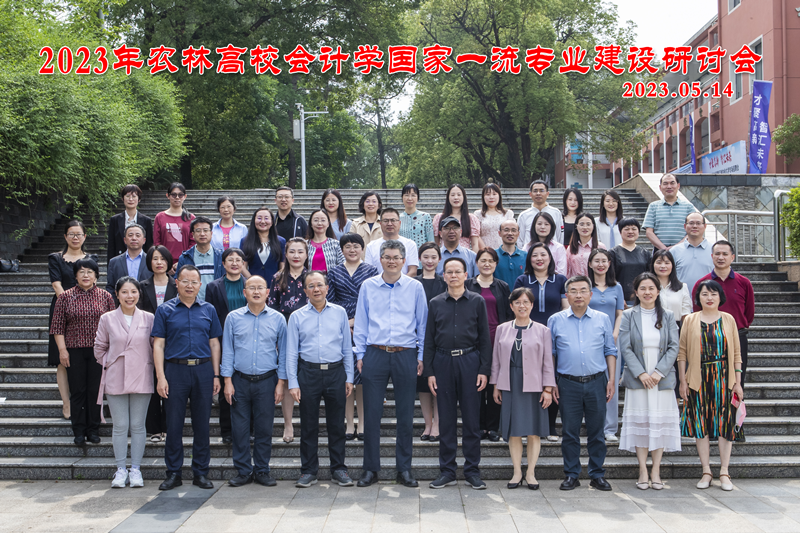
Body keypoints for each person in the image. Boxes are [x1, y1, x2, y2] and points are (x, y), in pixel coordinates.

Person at [353, 240, 428, 488]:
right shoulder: (368, 286)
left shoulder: (415, 287)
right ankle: (370, 469)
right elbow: (361, 321)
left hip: (406, 353)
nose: (392, 261)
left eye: (396, 257)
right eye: (387, 257)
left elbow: (422, 323)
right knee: (371, 414)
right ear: (380, 260)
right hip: (375, 353)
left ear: (404, 260)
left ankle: (404, 469)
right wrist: (360, 354)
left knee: (405, 415)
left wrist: (420, 356)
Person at [152, 265, 223, 491]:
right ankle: (173, 473)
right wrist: (160, 377)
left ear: (200, 285)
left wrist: (216, 374)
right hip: (175, 371)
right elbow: (158, 345)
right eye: (185, 281)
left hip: (203, 370)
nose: (189, 286)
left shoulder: (209, 309)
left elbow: (214, 344)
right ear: (177, 283)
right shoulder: (165, 310)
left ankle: (200, 473)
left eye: (194, 282)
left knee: (202, 425)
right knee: (173, 425)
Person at [424, 257, 491, 490]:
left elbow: (485, 338)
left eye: (457, 272)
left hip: (470, 361)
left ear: (465, 275)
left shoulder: (477, 301)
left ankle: (472, 471)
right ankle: (447, 471)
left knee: (472, 420)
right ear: (443, 276)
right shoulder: (435, 303)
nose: (453, 276)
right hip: (442, 362)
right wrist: (430, 371)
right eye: (449, 272)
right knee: (446, 420)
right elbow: (429, 339)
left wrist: (484, 369)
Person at [548, 275, 617, 492]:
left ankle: (597, 475)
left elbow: (610, 350)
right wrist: (552, 382)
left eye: (583, 290)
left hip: (597, 381)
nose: (578, 295)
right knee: (570, 432)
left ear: (590, 294)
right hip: (567, 383)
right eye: (574, 291)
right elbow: (551, 354)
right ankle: (571, 474)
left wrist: (611, 379)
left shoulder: (602, 319)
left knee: (597, 432)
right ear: (566, 295)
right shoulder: (555, 320)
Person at [287, 271, 355, 488]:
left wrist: (349, 377)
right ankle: (308, 471)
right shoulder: (297, 316)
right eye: (311, 286)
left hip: (336, 373)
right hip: (308, 373)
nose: (316, 289)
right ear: (305, 290)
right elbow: (291, 351)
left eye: (319, 285)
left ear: (327, 288)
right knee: (308, 425)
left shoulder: (340, 313)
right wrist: (293, 382)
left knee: (337, 424)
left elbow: (347, 347)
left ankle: (339, 469)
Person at [221, 275, 288, 488]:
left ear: (268, 292)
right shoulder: (233, 318)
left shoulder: (278, 319)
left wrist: (281, 383)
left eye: (260, 288)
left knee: (264, 427)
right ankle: (243, 471)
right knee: (239, 428)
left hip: (267, 380)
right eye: (252, 288)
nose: (256, 292)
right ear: (245, 292)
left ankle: (261, 470)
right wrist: (227, 380)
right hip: (239, 380)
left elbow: (284, 353)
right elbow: (227, 350)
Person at [679, 279, 744, 492]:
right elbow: (682, 353)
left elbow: (737, 354)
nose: (709, 297)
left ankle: (724, 471)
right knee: (701, 425)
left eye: (713, 294)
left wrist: (738, 383)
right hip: (698, 379)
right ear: (698, 297)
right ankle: (706, 471)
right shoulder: (690, 319)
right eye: (704, 294)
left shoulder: (728, 319)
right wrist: (683, 381)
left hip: (724, 379)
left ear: (720, 297)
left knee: (726, 425)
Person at [618, 273, 681, 490]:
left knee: (659, 424)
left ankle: (656, 470)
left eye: (651, 288)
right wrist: (642, 374)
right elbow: (625, 347)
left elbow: (674, 346)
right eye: (642, 288)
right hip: (639, 378)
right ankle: (643, 470)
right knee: (641, 424)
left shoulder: (668, 316)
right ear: (636, 292)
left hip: (661, 378)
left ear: (658, 291)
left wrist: (658, 372)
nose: (647, 292)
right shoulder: (628, 315)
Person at [490, 287, 555, 490]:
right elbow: (496, 360)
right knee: (514, 431)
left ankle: (531, 473)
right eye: (517, 302)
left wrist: (548, 389)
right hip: (510, 383)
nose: (522, 306)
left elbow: (548, 361)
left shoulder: (543, 330)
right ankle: (517, 471)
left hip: (535, 385)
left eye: (526, 302)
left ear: (532, 305)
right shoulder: (502, 329)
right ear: (511, 306)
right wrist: (496, 385)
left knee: (534, 431)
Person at [94, 277, 155, 489]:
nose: (130, 296)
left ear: (139, 293)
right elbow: (99, 348)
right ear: (117, 295)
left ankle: (135, 469)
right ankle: (121, 469)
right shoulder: (107, 318)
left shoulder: (149, 318)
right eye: (125, 292)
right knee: (120, 426)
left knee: (138, 425)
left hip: (141, 374)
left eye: (134, 292)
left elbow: (155, 346)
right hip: (116, 376)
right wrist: (111, 364)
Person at [50, 258, 115, 446]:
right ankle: (78, 431)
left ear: (96, 276)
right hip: (74, 350)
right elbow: (57, 327)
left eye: (90, 272)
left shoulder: (105, 296)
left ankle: (93, 429)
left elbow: (113, 326)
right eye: (81, 272)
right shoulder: (65, 297)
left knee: (95, 391)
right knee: (78, 391)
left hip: (98, 352)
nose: (86, 275)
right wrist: (62, 351)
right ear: (75, 276)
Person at [512, 242, 568, 442]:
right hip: (528, 335)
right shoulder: (523, 279)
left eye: (543, 255)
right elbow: (518, 307)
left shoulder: (560, 280)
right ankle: (526, 425)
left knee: (551, 379)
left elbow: (565, 308)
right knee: (528, 379)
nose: (539, 259)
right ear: (529, 259)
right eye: (535, 255)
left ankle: (550, 426)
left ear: (550, 258)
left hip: (554, 336)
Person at [327, 234, 379, 441]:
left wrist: (356, 323)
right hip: (340, 325)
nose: (352, 250)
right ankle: (349, 423)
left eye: (356, 246)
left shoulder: (371, 271)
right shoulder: (334, 272)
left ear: (362, 249)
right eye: (347, 246)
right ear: (342, 250)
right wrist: (345, 324)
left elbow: (375, 300)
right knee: (346, 377)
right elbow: (330, 301)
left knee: (363, 377)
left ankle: (363, 423)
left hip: (367, 325)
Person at [48, 220, 98, 420]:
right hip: (62, 309)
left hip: (88, 311)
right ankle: (66, 403)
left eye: (79, 234)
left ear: (84, 237)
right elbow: (56, 284)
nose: (75, 237)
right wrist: (69, 304)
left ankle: (87, 402)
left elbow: (93, 282)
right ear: (65, 236)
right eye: (71, 234)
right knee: (62, 360)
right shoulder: (55, 258)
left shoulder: (91, 258)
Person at [465, 248, 512, 442]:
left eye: (490, 261)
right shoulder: (468, 285)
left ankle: (492, 427)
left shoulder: (502, 286)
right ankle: (478, 426)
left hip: (497, 339)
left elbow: (508, 315)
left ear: (495, 264)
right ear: (476, 263)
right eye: (483, 260)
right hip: (472, 340)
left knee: (494, 383)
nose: (486, 264)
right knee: (476, 384)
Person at [692, 241, 755, 385]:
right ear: (712, 256)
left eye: (725, 254)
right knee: (710, 380)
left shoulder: (744, 282)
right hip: (709, 336)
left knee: (737, 380)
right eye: (717, 254)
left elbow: (749, 312)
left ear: (732, 257)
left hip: (737, 336)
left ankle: (735, 400)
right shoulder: (702, 283)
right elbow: (697, 311)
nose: (721, 257)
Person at [268, 237, 309, 443]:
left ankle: (308, 423)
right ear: (286, 254)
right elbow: (272, 306)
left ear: (306, 254)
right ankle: (288, 423)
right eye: (292, 251)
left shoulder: (312, 277)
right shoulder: (277, 278)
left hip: (308, 332)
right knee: (285, 376)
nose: (296, 255)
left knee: (307, 377)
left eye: (300, 251)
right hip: (284, 330)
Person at [205, 248, 248, 445]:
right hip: (223, 340)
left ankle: (249, 429)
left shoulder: (250, 284)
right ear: (223, 264)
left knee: (246, 388)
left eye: (238, 260)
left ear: (243, 264)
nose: (234, 263)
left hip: (247, 340)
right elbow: (210, 315)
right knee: (225, 386)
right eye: (230, 260)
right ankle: (227, 431)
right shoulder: (214, 287)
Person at [138, 246, 177, 443]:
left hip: (173, 341)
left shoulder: (177, 285)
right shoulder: (141, 286)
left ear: (169, 261)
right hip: (147, 341)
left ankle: (168, 427)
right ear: (149, 262)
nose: (159, 262)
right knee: (152, 385)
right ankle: (154, 428)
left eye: (163, 258)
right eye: (155, 259)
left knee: (171, 384)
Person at [587, 249, 625, 442]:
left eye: (604, 261)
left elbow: (619, 313)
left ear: (609, 264)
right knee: (592, 384)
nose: (600, 264)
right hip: (590, 342)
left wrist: (615, 333)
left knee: (611, 382)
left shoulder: (616, 287)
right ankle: (593, 426)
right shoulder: (585, 286)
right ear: (590, 264)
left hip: (612, 342)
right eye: (597, 261)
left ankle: (609, 428)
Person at [414, 242, 447, 442]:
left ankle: (437, 424)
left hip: (440, 337)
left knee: (439, 383)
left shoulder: (445, 282)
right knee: (423, 384)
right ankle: (427, 424)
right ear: (420, 259)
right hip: (418, 338)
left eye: (433, 257)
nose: (429, 260)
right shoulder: (413, 282)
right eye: (425, 257)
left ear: (439, 259)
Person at [174, 217, 224, 301]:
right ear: (193, 234)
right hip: (193, 303)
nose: (202, 234)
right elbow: (178, 282)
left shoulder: (221, 256)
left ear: (211, 233)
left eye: (205, 230)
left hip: (216, 303)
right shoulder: (185, 257)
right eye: (198, 231)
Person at [642, 173, 697, 250]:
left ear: (678, 186)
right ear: (660, 187)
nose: (669, 186)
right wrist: (664, 249)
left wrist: (676, 248)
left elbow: (692, 231)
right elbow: (649, 232)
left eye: (672, 183)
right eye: (665, 184)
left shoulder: (688, 207)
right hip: (660, 251)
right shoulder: (653, 206)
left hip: (684, 250)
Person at [364, 207, 419, 277]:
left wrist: (400, 282)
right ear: (380, 223)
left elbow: (413, 271)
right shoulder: (371, 246)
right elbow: (369, 272)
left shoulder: (410, 244)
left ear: (399, 223)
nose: (389, 224)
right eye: (386, 221)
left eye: (393, 220)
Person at [107, 184, 153, 264]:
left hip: (141, 262)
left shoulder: (146, 221)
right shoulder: (115, 220)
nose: (130, 199)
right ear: (122, 198)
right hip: (120, 262)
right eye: (127, 196)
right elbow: (111, 246)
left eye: (134, 196)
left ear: (139, 199)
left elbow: (149, 245)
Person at [241, 207, 285, 288]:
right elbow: (242, 266)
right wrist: (253, 281)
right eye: (259, 218)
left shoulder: (281, 241)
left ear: (272, 222)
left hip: (274, 285)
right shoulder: (245, 241)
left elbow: (283, 265)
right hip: (252, 286)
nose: (263, 221)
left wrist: (276, 279)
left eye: (266, 218)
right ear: (254, 221)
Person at [671, 212, 714, 293]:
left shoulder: (714, 250)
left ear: (705, 226)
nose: (695, 226)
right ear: (685, 226)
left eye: (698, 223)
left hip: (708, 298)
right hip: (681, 298)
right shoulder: (674, 251)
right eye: (691, 223)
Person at [153, 182, 195, 265]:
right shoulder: (160, 217)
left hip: (185, 262)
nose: (177, 197)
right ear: (167, 196)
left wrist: (183, 260)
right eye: (173, 195)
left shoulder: (190, 218)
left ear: (185, 196)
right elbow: (157, 242)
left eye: (180, 195)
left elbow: (193, 242)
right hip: (163, 263)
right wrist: (164, 261)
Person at [106, 225, 151, 299]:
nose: (134, 238)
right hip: (122, 303)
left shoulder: (151, 261)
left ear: (144, 240)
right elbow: (110, 287)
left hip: (146, 303)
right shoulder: (114, 262)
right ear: (125, 240)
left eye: (138, 235)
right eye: (130, 235)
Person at [612, 218, 651, 304]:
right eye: (626, 229)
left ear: (638, 232)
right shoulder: (613, 253)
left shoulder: (645, 253)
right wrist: (619, 298)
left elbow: (650, 276)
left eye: (634, 229)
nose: (630, 232)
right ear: (620, 232)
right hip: (621, 300)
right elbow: (610, 278)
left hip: (643, 299)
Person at [517, 180, 564, 250]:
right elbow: (519, 239)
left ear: (547, 194)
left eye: (541, 191)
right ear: (530, 194)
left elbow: (560, 236)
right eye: (535, 191)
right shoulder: (523, 215)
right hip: (529, 254)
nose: (538, 193)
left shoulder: (556, 213)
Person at [433, 184, 481, 252]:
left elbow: (474, 244)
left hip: (465, 256)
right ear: (448, 197)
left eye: (459, 195)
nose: (456, 197)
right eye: (452, 195)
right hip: (445, 255)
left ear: (463, 197)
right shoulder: (439, 218)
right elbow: (436, 243)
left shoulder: (471, 218)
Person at [651, 249, 692, 326]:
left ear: (672, 265)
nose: (663, 266)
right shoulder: (648, 288)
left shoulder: (682, 287)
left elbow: (686, 315)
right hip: (652, 326)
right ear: (653, 265)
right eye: (659, 263)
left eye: (667, 263)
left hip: (676, 327)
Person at [474, 183, 514, 250]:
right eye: (488, 194)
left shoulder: (508, 214)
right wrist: (486, 251)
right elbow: (476, 235)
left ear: (499, 196)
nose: (491, 197)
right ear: (483, 197)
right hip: (484, 252)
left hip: (504, 251)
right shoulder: (478, 214)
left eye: (494, 194)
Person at [565, 213, 605, 279]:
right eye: (581, 224)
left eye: (588, 224)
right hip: (576, 283)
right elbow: (568, 270)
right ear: (576, 226)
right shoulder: (571, 248)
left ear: (593, 226)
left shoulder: (600, 246)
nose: (585, 227)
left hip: (594, 283)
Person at [306, 209, 345, 273]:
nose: (319, 223)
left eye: (323, 220)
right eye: (316, 220)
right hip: (309, 279)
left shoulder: (336, 244)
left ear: (328, 224)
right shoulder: (305, 245)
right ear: (311, 224)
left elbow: (343, 265)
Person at [399, 183, 434, 248]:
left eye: (413, 195)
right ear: (402, 197)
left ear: (418, 198)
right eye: (406, 195)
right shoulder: (397, 218)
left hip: (421, 254)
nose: (410, 198)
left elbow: (431, 241)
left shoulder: (425, 217)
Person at [494, 220, 526, 289]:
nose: (510, 233)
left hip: (520, 295)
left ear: (518, 233)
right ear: (499, 233)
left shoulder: (526, 256)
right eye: (506, 230)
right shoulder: (492, 255)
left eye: (514, 230)